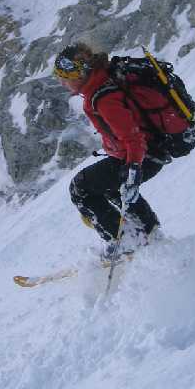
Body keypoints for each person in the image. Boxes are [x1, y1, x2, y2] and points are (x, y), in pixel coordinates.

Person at [53, 42, 170, 258]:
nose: (62, 83)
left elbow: (133, 137)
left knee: (80, 189)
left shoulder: (104, 98)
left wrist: (133, 168)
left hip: (141, 156)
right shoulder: (105, 77)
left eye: (64, 77)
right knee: (111, 187)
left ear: (79, 75)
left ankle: (124, 241)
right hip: (150, 150)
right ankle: (149, 233)